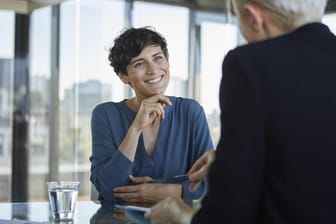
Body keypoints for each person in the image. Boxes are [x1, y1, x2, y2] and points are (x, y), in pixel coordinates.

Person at [145, 0, 336, 223]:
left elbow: (228, 214)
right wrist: (237, 158)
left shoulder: (249, 65)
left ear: (254, 16)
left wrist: (181, 217)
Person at [89, 26, 214, 204]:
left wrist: (164, 189)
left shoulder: (190, 112)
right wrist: (136, 128)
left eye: (158, 58)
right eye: (139, 63)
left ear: (167, 62)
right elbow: (108, 188)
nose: (153, 70)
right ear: (123, 76)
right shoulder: (105, 115)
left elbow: (210, 182)